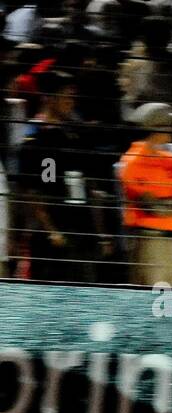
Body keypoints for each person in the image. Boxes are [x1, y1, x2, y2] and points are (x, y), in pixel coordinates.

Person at [16, 70, 112, 282]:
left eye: (72, 97)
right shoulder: (36, 141)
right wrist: (52, 230)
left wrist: (100, 231)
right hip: (54, 231)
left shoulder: (76, 136)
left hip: (82, 226)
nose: (71, 103)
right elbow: (32, 191)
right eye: (66, 97)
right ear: (50, 99)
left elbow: (89, 184)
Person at [118, 101, 172, 286]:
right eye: (169, 125)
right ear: (157, 128)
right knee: (151, 301)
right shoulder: (132, 162)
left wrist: (165, 204)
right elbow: (153, 208)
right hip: (149, 241)